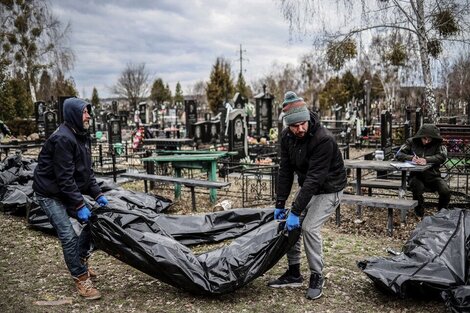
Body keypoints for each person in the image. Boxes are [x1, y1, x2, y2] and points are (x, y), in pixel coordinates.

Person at [268, 91, 347, 300]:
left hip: (330, 187)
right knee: (288, 224)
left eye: (302, 123)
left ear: (307, 117)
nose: (300, 128)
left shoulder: (323, 139)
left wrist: (295, 210)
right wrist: (280, 203)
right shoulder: (287, 137)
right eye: (295, 126)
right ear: (288, 125)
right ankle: (294, 273)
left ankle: (316, 275)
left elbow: (315, 179)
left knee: (309, 227)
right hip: (310, 187)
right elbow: (285, 170)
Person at [33, 98, 108, 300]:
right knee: (68, 235)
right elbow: (64, 177)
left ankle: (80, 258)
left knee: (94, 222)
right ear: (74, 114)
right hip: (49, 193)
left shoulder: (81, 136)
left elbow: (86, 172)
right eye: (84, 112)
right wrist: (79, 204)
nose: (88, 116)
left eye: (88, 112)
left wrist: (98, 194)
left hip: (64, 190)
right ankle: (81, 278)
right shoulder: (63, 139)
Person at [396, 123, 450, 217]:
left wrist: (426, 160)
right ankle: (419, 211)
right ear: (420, 136)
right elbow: (399, 154)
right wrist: (411, 158)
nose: (426, 141)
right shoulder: (411, 142)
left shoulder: (438, 144)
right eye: (424, 138)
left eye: (429, 139)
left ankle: (442, 212)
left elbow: (442, 156)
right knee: (417, 187)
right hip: (416, 176)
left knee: (445, 190)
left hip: (433, 175)